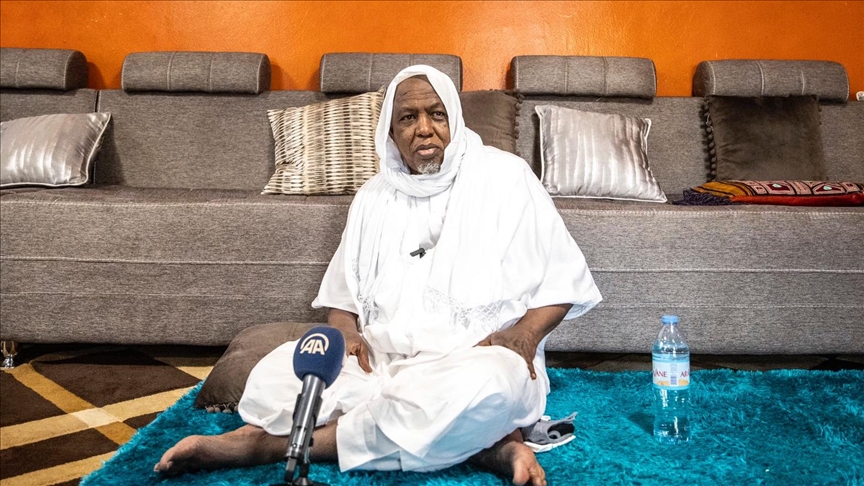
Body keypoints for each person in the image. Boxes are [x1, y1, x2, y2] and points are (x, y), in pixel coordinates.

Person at [155, 65, 602, 486]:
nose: (424, 129)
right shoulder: (374, 195)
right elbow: (343, 297)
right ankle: (488, 447)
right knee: (277, 375)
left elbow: (564, 277)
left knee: (491, 387)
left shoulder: (506, 176)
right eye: (408, 118)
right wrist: (346, 332)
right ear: (390, 131)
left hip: (472, 359)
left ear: (456, 119)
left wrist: (524, 336)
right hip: (380, 361)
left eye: (437, 115)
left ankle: (265, 446)